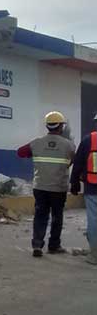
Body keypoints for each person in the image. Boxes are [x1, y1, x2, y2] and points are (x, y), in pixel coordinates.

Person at [16, 111, 75, 257]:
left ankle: (37, 245)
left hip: (40, 187)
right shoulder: (69, 145)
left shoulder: (36, 143)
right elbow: (75, 159)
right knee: (57, 216)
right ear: (61, 127)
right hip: (58, 187)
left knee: (40, 216)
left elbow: (20, 152)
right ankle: (54, 246)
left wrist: (34, 154)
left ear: (47, 126)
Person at [70, 113, 97, 265]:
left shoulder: (89, 140)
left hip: (92, 188)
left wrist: (74, 183)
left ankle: (95, 255)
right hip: (91, 187)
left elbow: (78, 163)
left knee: (94, 221)